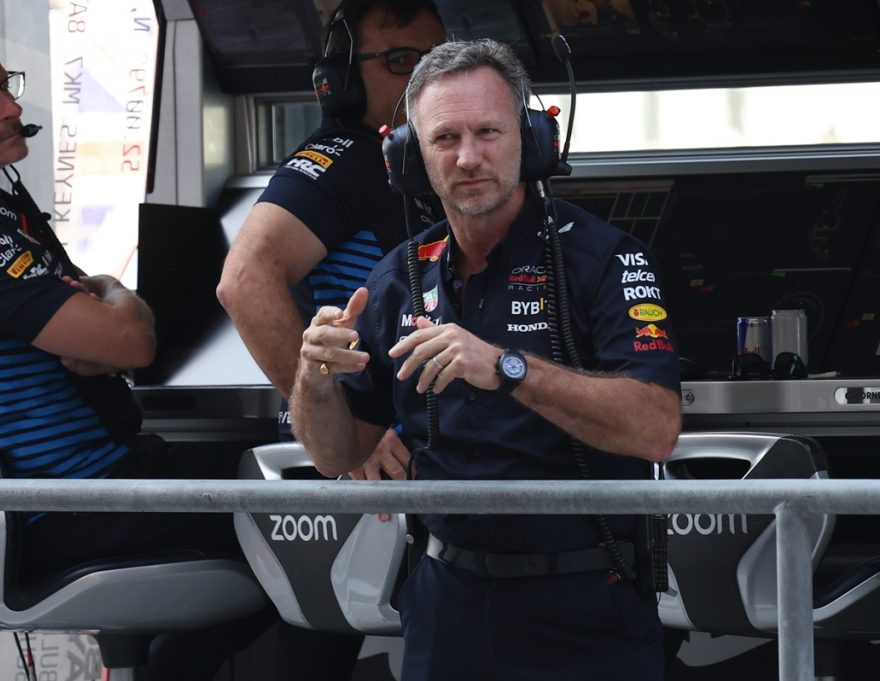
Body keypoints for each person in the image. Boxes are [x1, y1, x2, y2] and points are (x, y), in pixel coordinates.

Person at [0, 15, 273, 679]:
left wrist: (106, 309)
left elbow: (109, 333)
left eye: (5, 88)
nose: (9, 108)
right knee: (321, 509)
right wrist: (115, 299)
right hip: (73, 504)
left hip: (99, 484)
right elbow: (132, 339)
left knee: (293, 480)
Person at [291, 38, 682, 681]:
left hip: (585, 601)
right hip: (445, 602)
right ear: (411, 158)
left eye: (488, 132)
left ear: (528, 141)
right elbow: (336, 455)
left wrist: (506, 367)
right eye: (445, 138)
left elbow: (656, 427)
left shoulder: (605, 260)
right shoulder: (397, 278)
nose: (469, 157)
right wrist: (315, 381)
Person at [217, 0, 446, 484]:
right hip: (366, 461)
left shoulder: (410, 166)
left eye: (438, 60)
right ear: (342, 80)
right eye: (401, 60)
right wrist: (341, 427)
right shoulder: (346, 159)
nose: (426, 80)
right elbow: (243, 280)